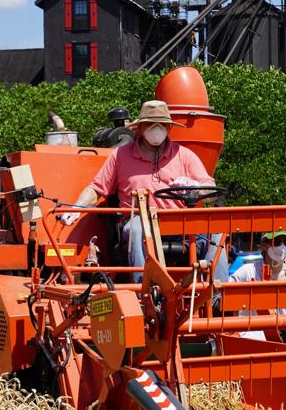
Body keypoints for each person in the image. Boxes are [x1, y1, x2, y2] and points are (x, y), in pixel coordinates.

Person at [58, 100, 227, 282]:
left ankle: (218, 297)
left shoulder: (184, 155)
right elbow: (97, 188)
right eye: (151, 124)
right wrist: (76, 208)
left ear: (169, 128)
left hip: (180, 225)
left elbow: (210, 188)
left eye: (162, 124)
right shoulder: (120, 156)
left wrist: (195, 187)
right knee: (138, 228)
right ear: (140, 127)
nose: (157, 129)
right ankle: (144, 292)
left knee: (216, 235)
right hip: (138, 221)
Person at [228, 230, 286, 348]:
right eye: (277, 242)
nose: (282, 247)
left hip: (284, 345)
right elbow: (225, 298)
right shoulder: (247, 272)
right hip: (251, 344)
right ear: (264, 245)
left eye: (285, 242)